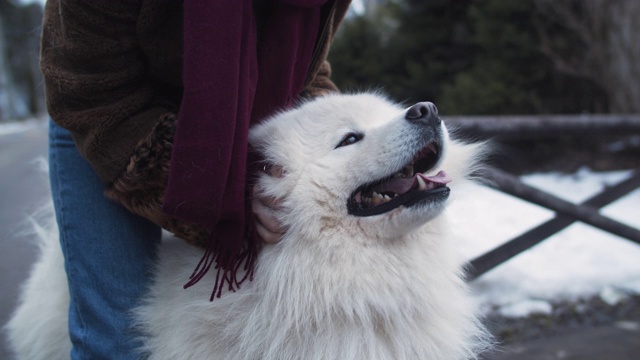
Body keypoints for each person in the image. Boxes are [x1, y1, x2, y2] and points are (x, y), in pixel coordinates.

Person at [41, 1, 351, 358]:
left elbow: (308, 69)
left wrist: (330, 143)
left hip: (237, 111)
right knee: (116, 335)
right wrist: (229, 192)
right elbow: (92, 93)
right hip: (106, 113)